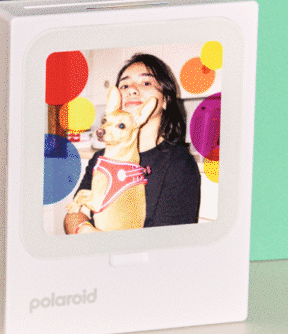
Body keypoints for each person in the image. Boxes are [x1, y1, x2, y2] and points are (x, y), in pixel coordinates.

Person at [64, 53, 201, 234]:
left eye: (146, 83)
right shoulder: (101, 158)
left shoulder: (179, 163)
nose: (132, 90)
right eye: (125, 85)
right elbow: (73, 214)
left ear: (166, 100)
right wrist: (84, 230)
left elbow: (168, 244)